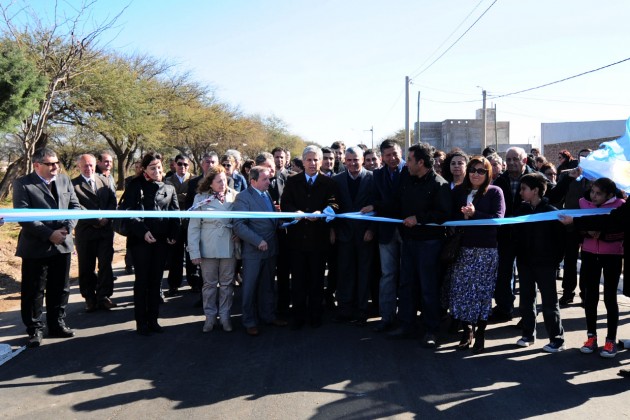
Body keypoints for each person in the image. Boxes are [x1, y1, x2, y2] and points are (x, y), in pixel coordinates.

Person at [376, 142, 451, 348]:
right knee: (406, 284)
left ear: (420, 162)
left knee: (428, 287)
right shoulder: (406, 179)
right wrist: (374, 207)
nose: (405, 163)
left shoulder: (439, 184)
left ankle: (431, 329)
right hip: (409, 241)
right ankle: (406, 324)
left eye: (409, 159)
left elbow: (444, 214)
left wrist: (419, 218)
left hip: (429, 243)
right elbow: (395, 202)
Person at [13, 147, 81, 347]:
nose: (55, 167)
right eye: (50, 164)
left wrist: (66, 230)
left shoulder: (64, 180)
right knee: (34, 290)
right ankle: (34, 329)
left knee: (60, 287)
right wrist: (49, 234)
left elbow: (75, 207)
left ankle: (57, 323)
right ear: (37, 165)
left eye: (56, 162)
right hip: (36, 246)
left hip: (63, 242)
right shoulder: (23, 184)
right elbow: (23, 216)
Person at [449, 157, 505, 354]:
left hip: (485, 250)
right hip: (463, 249)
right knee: (462, 292)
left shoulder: (495, 192)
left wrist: (475, 214)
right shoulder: (458, 191)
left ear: (488, 173)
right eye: (473, 169)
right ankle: (467, 331)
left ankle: (481, 333)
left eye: (481, 171)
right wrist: (461, 217)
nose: (476, 174)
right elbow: (448, 217)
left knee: (482, 293)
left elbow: (498, 219)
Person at [121, 152, 180, 336]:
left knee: (156, 281)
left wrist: (173, 233)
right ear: (144, 169)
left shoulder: (169, 188)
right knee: (142, 281)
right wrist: (143, 231)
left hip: (161, 242)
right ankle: (141, 322)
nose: (157, 171)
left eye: (159, 167)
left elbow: (175, 213)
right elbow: (128, 212)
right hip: (141, 242)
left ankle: (153, 319)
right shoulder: (135, 186)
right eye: (152, 168)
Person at [281, 145, 339, 329]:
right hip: (297, 240)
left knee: (316, 279)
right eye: (309, 160)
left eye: (316, 160)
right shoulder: (292, 181)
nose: (313, 163)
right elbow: (285, 203)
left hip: (318, 241)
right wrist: (295, 212)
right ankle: (298, 315)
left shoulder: (329, 182)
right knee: (298, 279)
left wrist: (322, 212)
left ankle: (316, 314)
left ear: (321, 162)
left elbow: (335, 203)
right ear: (303, 161)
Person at [514, 173, 566, 352]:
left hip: (545, 264)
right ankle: (528, 334)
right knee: (526, 300)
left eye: (524, 189)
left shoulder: (551, 212)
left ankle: (557, 339)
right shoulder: (521, 210)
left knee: (550, 303)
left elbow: (561, 241)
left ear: (535, 191)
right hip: (525, 263)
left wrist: (554, 261)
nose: (520, 192)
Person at [233, 166, 287, 336]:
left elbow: (270, 220)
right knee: (249, 288)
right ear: (253, 181)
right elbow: (239, 225)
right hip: (254, 251)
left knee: (268, 285)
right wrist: (257, 241)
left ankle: (268, 316)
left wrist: (284, 222)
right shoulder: (243, 197)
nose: (269, 182)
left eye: (269, 179)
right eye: (265, 179)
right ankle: (249, 321)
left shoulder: (266, 194)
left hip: (270, 249)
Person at [576, 178, 625, 358]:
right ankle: (591, 337)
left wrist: (602, 234)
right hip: (589, 253)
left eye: (598, 193)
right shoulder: (582, 202)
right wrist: (586, 231)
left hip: (612, 255)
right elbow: (576, 224)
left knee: (610, 298)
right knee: (590, 296)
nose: (593, 196)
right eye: (592, 192)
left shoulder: (621, 205)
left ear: (610, 195)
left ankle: (610, 341)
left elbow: (622, 230)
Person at [362, 139, 406, 332]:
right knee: (387, 274)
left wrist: (378, 206)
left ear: (401, 152)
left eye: (395, 153)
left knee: (407, 276)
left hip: (408, 232)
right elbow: (374, 201)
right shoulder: (377, 175)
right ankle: (386, 316)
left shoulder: (410, 171)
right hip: (386, 232)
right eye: (388, 155)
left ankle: (406, 318)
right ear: (382, 157)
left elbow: (401, 201)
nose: (393, 158)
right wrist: (371, 227)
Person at [188, 165, 238, 333]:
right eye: (218, 181)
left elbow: (241, 221)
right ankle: (209, 317)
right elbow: (194, 227)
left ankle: (225, 317)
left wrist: (238, 234)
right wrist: (194, 251)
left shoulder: (235, 196)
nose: (223, 184)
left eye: (224, 180)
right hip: (208, 247)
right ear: (210, 183)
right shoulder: (200, 198)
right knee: (209, 285)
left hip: (229, 246)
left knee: (227, 284)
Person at [332, 147, 375, 325]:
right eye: (349, 160)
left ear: (362, 160)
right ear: (344, 161)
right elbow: (333, 205)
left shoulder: (372, 179)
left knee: (364, 273)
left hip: (365, 234)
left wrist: (372, 229)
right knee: (345, 272)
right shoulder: (337, 180)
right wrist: (333, 229)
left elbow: (377, 205)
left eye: (356, 160)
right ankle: (345, 308)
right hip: (344, 234)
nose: (352, 163)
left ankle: (362, 309)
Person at [71, 154, 117, 312]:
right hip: (86, 232)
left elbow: (113, 201)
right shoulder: (74, 185)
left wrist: (106, 218)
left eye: (91, 165)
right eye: (85, 166)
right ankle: (89, 298)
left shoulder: (104, 180)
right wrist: (96, 220)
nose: (88, 168)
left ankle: (104, 296)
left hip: (105, 231)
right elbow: (75, 206)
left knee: (105, 264)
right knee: (86, 266)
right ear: (79, 166)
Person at [165, 154, 193, 296]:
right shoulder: (168, 180)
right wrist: (182, 195)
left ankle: (194, 283)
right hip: (174, 223)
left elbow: (192, 198)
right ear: (175, 165)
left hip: (190, 223)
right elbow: (167, 198)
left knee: (191, 253)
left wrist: (177, 195)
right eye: (180, 164)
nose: (183, 167)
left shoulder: (194, 180)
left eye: (185, 164)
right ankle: (173, 284)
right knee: (174, 256)